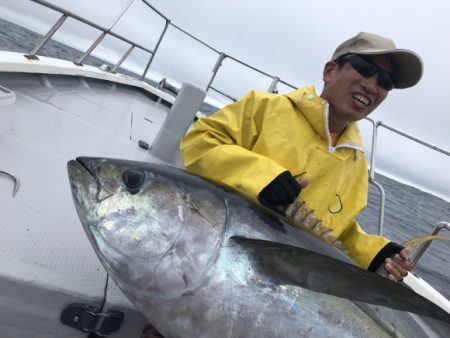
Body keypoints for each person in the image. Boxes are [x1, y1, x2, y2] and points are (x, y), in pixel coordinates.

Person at [180, 32, 423, 282]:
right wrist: (260, 177)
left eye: (386, 82)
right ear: (329, 71)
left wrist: (373, 254)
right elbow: (200, 141)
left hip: (283, 283)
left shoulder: (357, 164)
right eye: (364, 68)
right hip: (209, 259)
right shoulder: (264, 107)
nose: (372, 85)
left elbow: (338, 230)